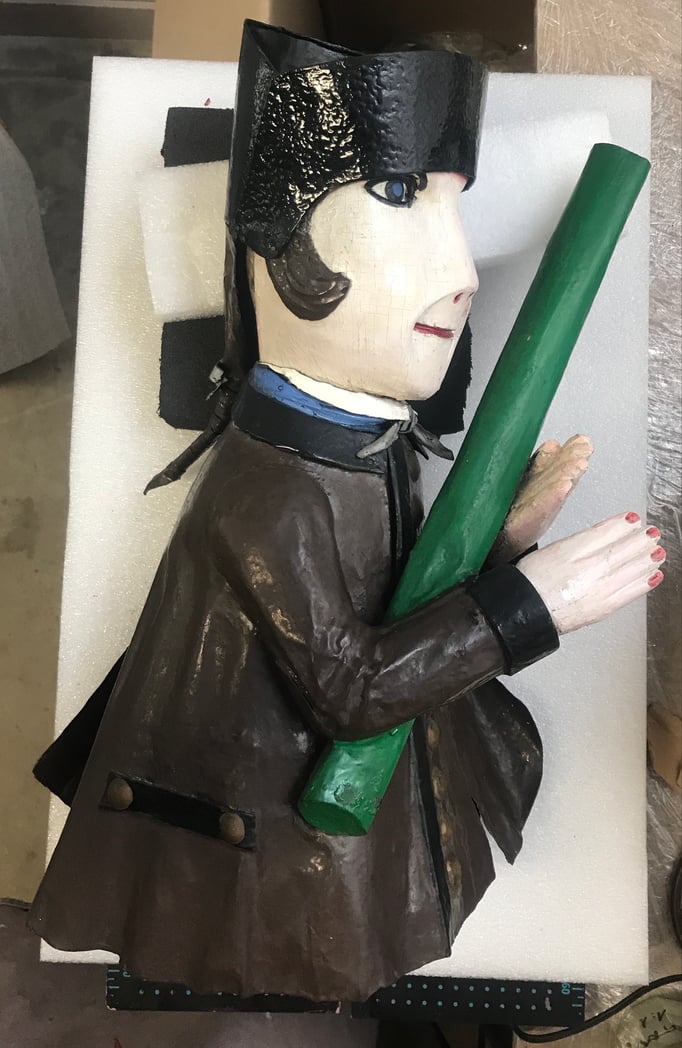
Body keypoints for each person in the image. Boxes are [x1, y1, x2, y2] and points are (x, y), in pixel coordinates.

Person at [29, 21, 665, 1001]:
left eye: (453, 206)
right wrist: (528, 605)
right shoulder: (270, 492)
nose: (463, 274)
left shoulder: (363, 442)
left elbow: (391, 595)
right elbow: (349, 690)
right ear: (273, 248)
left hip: (376, 806)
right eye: (401, 194)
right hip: (271, 842)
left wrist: (498, 543)